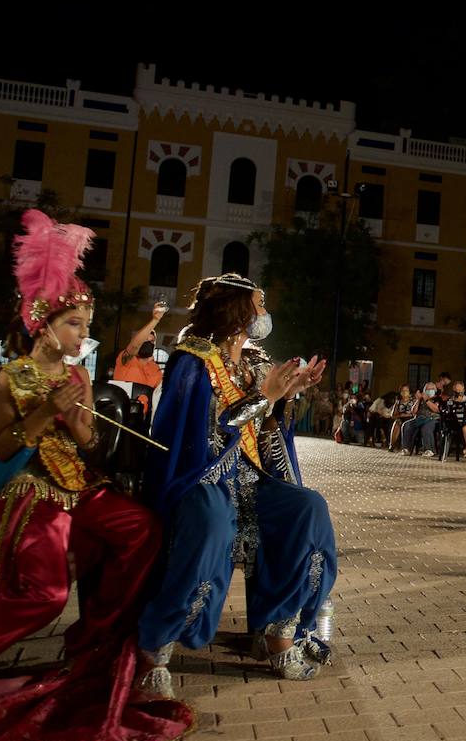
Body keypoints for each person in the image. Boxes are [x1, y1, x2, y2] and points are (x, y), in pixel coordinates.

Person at [0, 209, 191, 741]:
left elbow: (88, 446)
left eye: (85, 325)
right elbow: (6, 447)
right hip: (30, 490)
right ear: (43, 325)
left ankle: (94, 641)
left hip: (80, 487)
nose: (84, 335)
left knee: (143, 529)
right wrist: (44, 418)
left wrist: (82, 424)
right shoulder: (11, 378)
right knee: (44, 595)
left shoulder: (78, 377)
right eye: (75, 325)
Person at [135, 273, 337, 694]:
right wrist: (267, 396)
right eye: (259, 306)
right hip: (203, 475)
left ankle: (279, 631)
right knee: (212, 524)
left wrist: (288, 394)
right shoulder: (192, 360)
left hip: (249, 476)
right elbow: (208, 431)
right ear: (238, 311)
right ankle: (155, 646)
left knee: (308, 508)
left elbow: (265, 426)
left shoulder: (254, 361)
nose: (264, 315)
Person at [115, 302, 168, 418]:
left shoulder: (155, 368)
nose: (148, 343)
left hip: (143, 420)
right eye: (145, 341)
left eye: (151, 341)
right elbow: (134, 346)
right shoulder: (126, 360)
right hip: (120, 416)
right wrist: (155, 320)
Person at [400, 381, 441, 457]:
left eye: (432, 389)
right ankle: (406, 449)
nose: (430, 391)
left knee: (426, 427)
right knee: (407, 425)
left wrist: (427, 400)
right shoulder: (421, 399)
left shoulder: (438, 399)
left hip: (432, 419)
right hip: (420, 419)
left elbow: (436, 409)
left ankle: (429, 450)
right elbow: (413, 411)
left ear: (435, 391)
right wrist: (418, 400)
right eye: (428, 389)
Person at [388, 384, 415, 450]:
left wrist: (407, 415)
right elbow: (393, 415)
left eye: (406, 390)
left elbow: (415, 412)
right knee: (397, 423)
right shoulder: (398, 401)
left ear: (409, 392)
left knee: (404, 423)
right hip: (401, 418)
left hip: (411, 418)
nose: (404, 392)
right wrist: (400, 415)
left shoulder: (413, 400)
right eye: (402, 391)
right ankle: (392, 445)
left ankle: (406, 446)